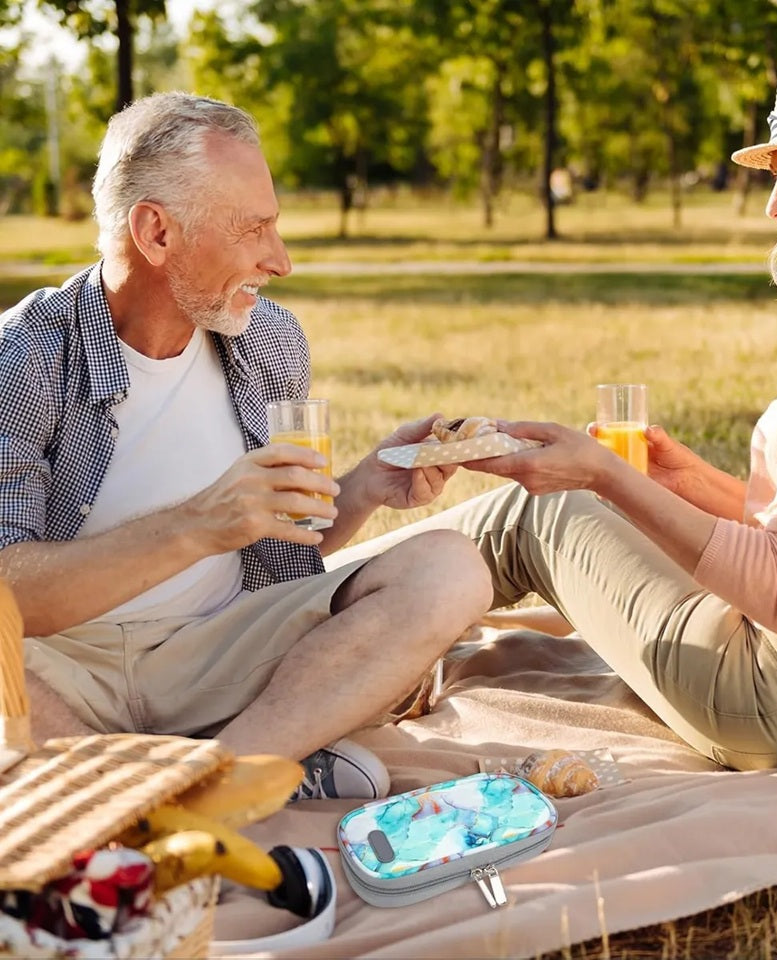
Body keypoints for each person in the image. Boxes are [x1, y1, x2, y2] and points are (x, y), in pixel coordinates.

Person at [330, 63, 777, 771]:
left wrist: (605, 476)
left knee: (540, 515)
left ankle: (289, 602)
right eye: (775, 178)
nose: (774, 205)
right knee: (568, 512)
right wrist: (686, 482)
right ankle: (320, 598)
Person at [0, 92, 493, 801]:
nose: (280, 260)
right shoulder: (24, 358)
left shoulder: (268, 341)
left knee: (450, 570)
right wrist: (200, 524)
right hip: (62, 670)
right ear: (156, 233)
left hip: (217, 651)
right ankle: (209, 773)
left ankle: (204, 789)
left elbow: (281, 556)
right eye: (252, 229)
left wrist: (363, 488)